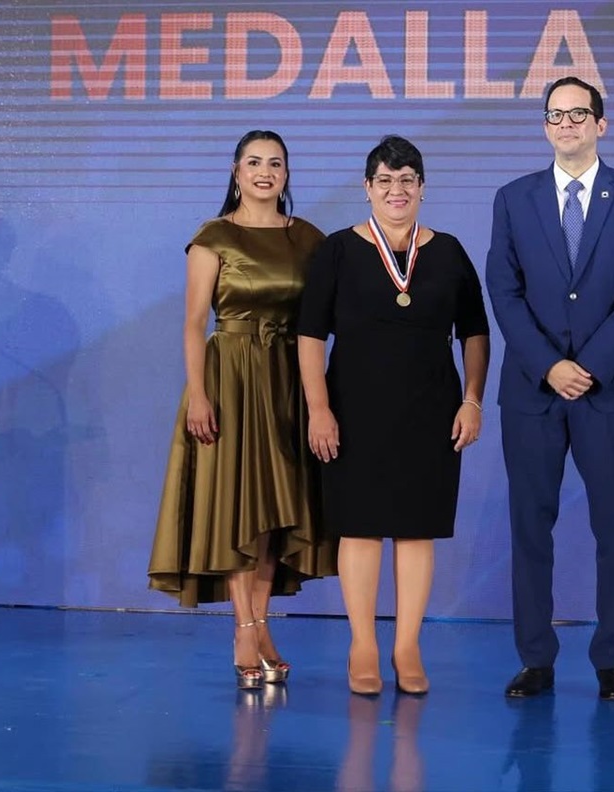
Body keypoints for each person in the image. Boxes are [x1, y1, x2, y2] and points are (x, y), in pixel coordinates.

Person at [486, 77, 614, 700]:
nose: (566, 124)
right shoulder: (513, 199)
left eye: (578, 114)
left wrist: (586, 366)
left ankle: (611, 660)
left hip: (610, 390)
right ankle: (536, 659)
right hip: (532, 392)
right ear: (545, 126)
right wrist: (549, 366)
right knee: (529, 528)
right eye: (555, 115)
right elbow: (503, 292)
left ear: (601, 124)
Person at [297, 135, 490, 696]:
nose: (396, 190)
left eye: (406, 180)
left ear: (422, 187)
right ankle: (362, 644)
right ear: (367, 188)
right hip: (353, 411)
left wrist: (472, 399)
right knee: (359, 528)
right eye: (384, 180)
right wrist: (318, 409)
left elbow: (475, 332)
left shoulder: (449, 251)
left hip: (431, 412)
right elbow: (309, 335)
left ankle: (407, 647)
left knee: (415, 531)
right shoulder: (337, 250)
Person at [148, 130, 337, 690]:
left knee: (276, 511)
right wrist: (198, 393)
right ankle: (246, 632)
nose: (264, 172)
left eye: (275, 163)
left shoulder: (309, 238)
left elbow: (325, 315)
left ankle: (260, 626)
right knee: (239, 508)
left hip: (288, 380)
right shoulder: (213, 236)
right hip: (229, 379)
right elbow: (193, 323)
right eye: (254, 162)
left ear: (287, 173)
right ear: (236, 172)